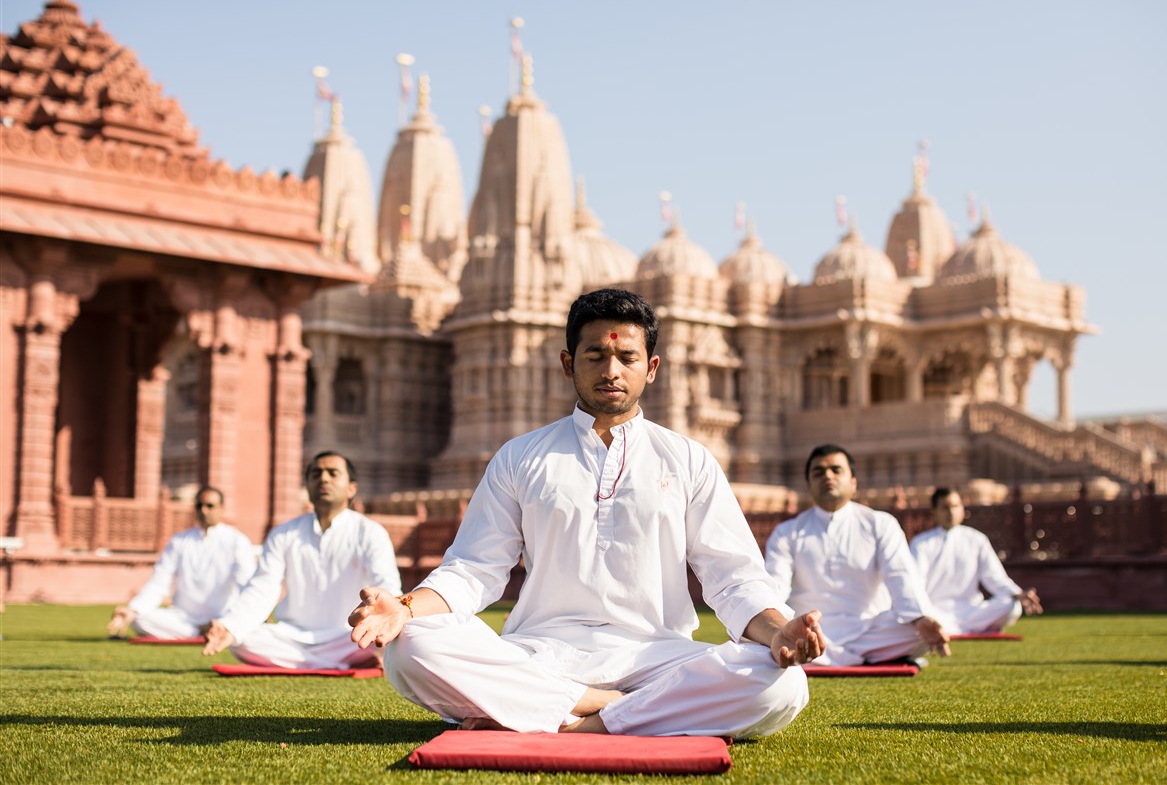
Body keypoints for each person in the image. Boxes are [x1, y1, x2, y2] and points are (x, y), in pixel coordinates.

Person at [348, 288, 825, 738]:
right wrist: (406, 606)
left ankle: (575, 718)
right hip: (540, 651)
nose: (611, 370)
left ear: (652, 368)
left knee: (783, 683)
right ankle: (606, 705)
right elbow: (474, 568)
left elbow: (734, 577)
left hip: (657, 655)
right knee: (410, 647)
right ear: (568, 364)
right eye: (595, 356)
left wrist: (776, 629)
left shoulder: (687, 459)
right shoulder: (521, 456)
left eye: (627, 358)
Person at [203, 451, 401, 669]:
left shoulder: (370, 532)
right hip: (291, 637)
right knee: (241, 638)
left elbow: (386, 586)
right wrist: (230, 626)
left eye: (332, 473)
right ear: (307, 486)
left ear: (351, 488)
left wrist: (382, 620)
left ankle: (314, 663)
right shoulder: (284, 533)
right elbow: (263, 587)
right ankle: (334, 665)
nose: (323, 479)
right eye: (316, 474)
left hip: (347, 637)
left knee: (388, 637)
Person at [764, 444, 951, 667]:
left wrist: (920, 618)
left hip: (868, 629)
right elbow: (776, 585)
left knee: (924, 628)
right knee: (765, 634)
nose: (827, 476)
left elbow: (900, 574)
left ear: (853, 482)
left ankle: (823, 658)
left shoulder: (880, 524)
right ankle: (855, 657)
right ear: (809, 485)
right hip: (809, 630)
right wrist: (775, 626)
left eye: (836, 470)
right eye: (818, 472)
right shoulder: (788, 532)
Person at [106, 486, 255, 640]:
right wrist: (133, 610)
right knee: (139, 619)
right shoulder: (180, 541)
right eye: (199, 506)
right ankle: (203, 632)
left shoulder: (237, 541)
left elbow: (246, 583)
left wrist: (250, 614)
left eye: (210, 506)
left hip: (220, 617)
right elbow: (159, 582)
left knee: (238, 624)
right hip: (183, 619)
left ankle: (215, 629)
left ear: (221, 508)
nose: (204, 511)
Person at [910, 487, 1043, 635]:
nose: (951, 512)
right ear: (934, 511)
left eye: (955, 506)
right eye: (945, 508)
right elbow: (916, 584)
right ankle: (968, 628)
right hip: (937, 611)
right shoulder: (921, 543)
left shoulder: (977, 539)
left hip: (971, 611)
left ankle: (960, 628)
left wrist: (1018, 594)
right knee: (921, 619)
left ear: (962, 508)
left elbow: (994, 577)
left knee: (1012, 605)